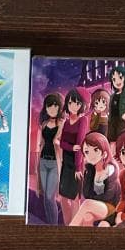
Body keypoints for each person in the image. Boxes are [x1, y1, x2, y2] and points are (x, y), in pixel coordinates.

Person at [69, 133, 120, 227]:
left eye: (96, 150)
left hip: (111, 208)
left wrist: (93, 200)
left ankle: (69, 231)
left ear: (104, 152)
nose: (91, 155)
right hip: (95, 206)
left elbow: (108, 196)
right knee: (87, 217)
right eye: (87, 152)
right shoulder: (90, 170)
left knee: (87, 204)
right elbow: (86, 193)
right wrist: (88, 173)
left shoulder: (110, 169)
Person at [57, 87, 89, 223]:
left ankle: (74, 226)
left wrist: (78, 168)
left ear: (82, 105)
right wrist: (70, 147)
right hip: (66, 163)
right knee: (63, 197)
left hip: (77, 163)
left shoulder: (83, 120)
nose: (73, 106)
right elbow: (61, 143)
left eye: (77, 103)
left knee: (75, 198)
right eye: (70, 103)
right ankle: (67, 224)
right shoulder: (66, 122)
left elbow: (80, 146)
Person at [35, 93, 63, 225]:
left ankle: (54, 226)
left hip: (54, 163)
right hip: (43, 162)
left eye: (55, 106)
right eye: (49, 106)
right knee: (45, 197)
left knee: (49, 197)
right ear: (45, 108)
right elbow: (40, 144)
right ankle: (50, 224)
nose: (52, 109)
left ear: (59, 108)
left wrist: (59, 143)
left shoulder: (62, 124)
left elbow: (65, 143)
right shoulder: (44, 124)